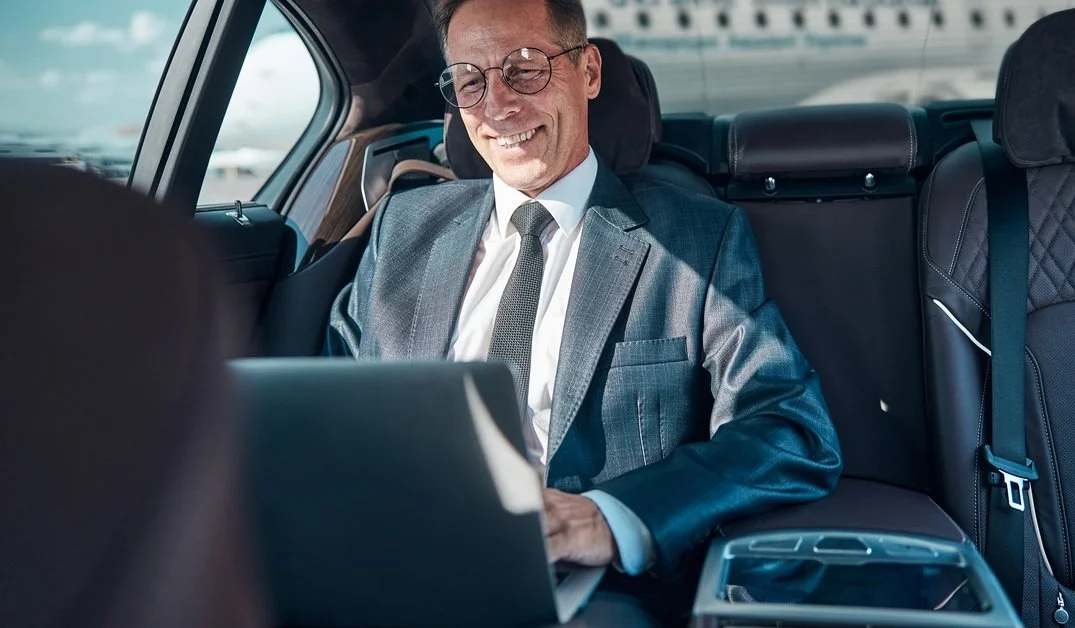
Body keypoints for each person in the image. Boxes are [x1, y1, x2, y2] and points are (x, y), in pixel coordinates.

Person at [328, 0, 842, 620]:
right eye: (471, 81)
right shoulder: (401, 231)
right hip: (395, 567)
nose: (498, 107)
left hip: (585, 592)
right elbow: (327, 410)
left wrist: (611, 517)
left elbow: (791, 428)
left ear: (589, 72)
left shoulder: (696, 241)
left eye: (525, 69)